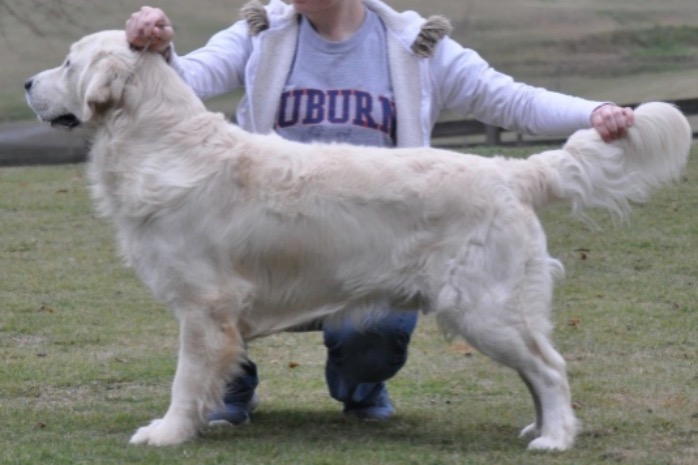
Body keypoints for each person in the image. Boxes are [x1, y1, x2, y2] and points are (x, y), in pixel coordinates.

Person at [125, 0, 633, 426]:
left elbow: (508, 98)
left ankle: (361, 388)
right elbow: (186, 81)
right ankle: (229, 390)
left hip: (380, 236)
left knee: (378, 333)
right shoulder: (261, 31)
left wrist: (592, 114)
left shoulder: (416, 43)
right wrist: (159, 48)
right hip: (271, 231)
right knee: (221, 293)